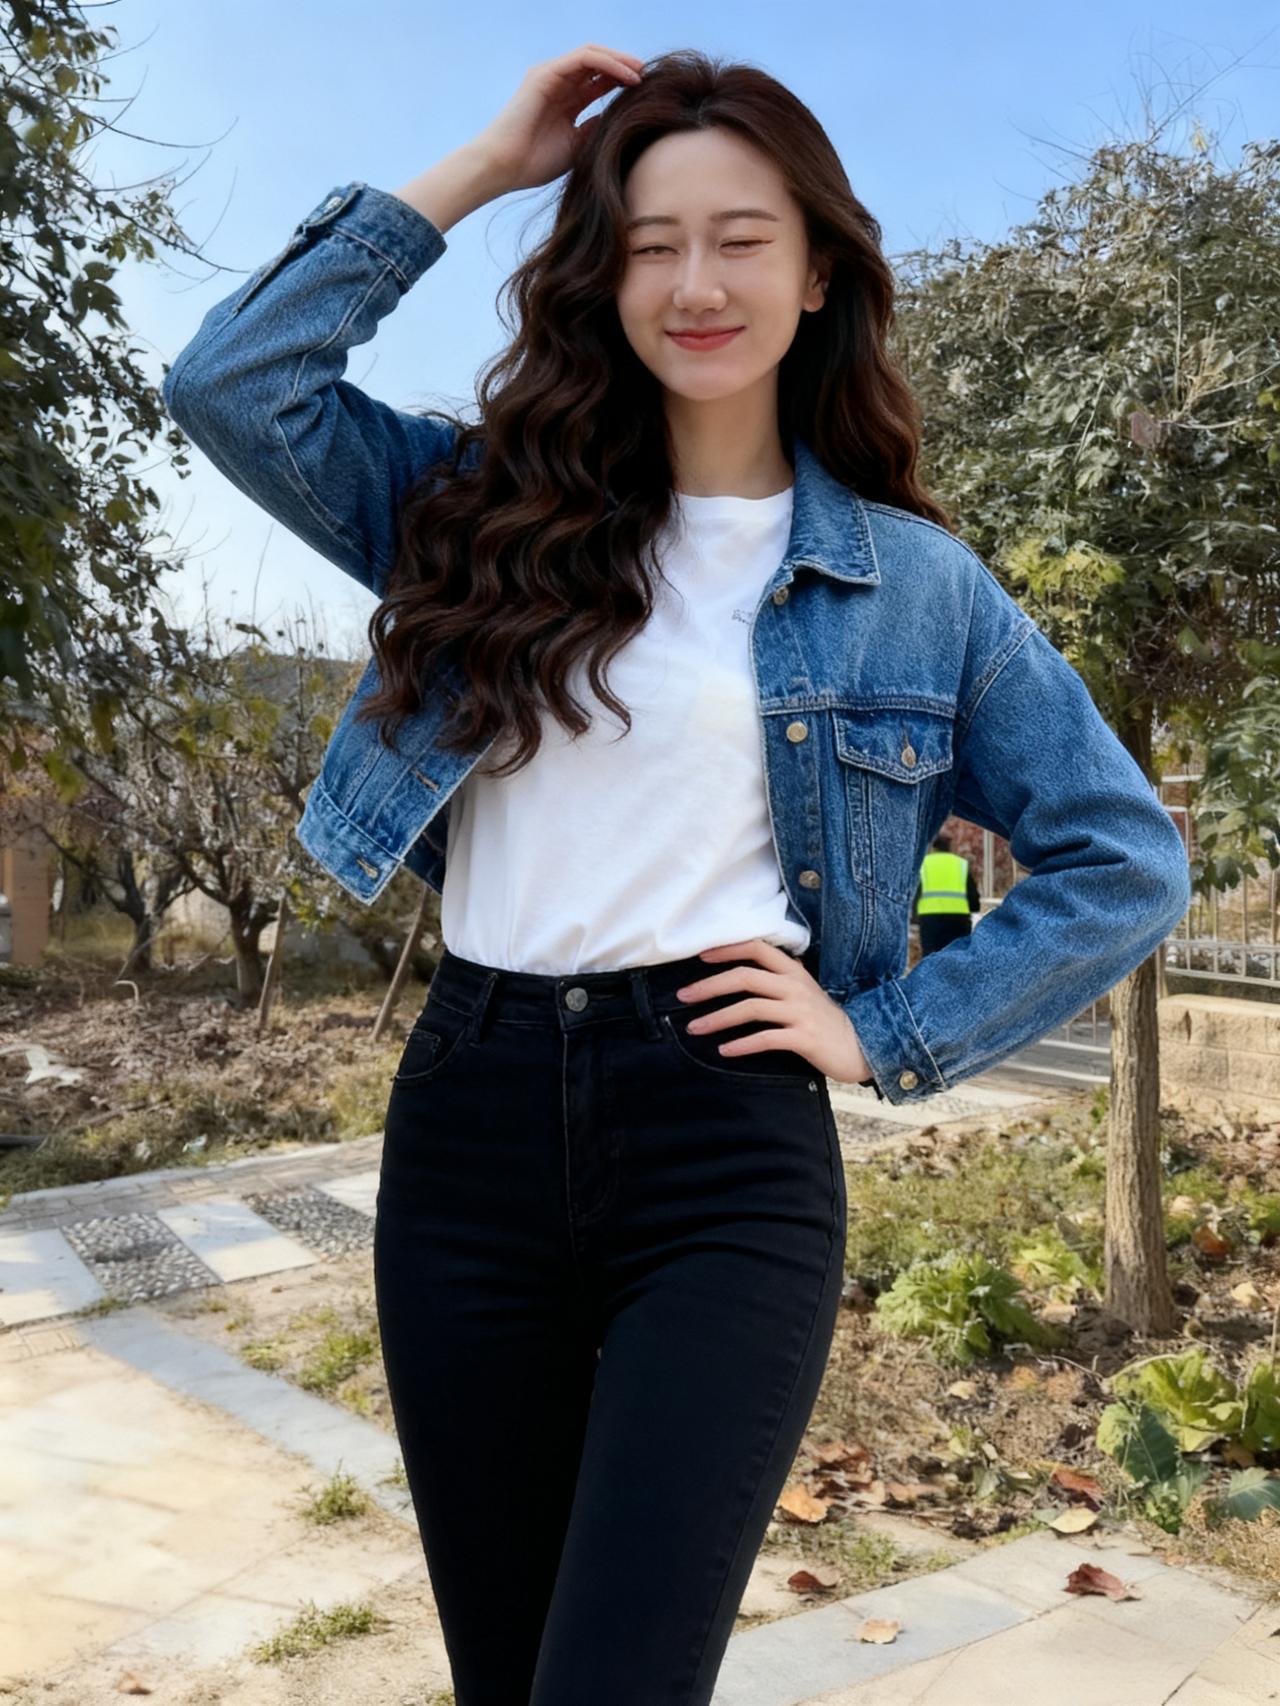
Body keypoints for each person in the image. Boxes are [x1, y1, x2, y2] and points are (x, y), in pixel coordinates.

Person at [159, 43, 1191, 1706]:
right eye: (650, 244)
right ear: (603, 273)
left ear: (818, 271)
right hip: (471, 1119)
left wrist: (884, 1032)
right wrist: (487, 165)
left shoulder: (915, 588)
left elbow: (1124, 855)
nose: (695, 283)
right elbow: (231, 383)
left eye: (740, 239)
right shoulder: (476, 513)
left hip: (722, 1144)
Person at [913, 831, 982, 957]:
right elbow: (972, 892)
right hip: (958, 918)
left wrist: (914, 916)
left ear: (934, 847)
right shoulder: (961, 864)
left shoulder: (924, 864)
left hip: (930, 918)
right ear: (949, 847)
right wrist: (974, 908)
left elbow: (916, 892)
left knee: (930, 957)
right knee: (957, 956)